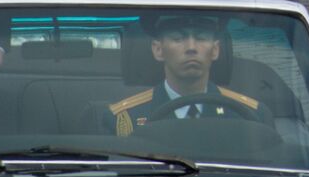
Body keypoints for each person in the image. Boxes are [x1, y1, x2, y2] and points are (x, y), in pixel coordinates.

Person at [109, 13, 261, 134]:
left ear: (215, 50)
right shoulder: (125, 119)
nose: (191, 47)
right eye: (178, 38)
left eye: (201, 38)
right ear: (158, 50)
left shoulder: (249, 116)